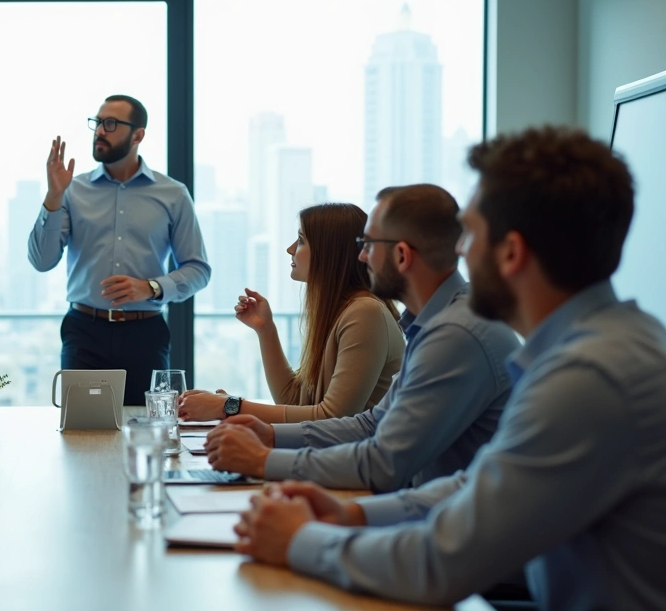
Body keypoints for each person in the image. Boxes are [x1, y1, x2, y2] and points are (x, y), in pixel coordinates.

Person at [233, 127, 666, 610]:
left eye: (470, 234)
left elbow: (440, 562)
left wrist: (299, 540)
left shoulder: (588, 379)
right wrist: (356, 515)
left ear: (511, 252)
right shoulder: (605, 344)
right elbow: (481, 483)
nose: (457, 251)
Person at [202, 185, 519, 491]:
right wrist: (271, 436)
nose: (362, 257)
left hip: (440, 514)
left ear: (401, 255)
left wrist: (261, 457)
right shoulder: (435, 324)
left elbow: (385, 463)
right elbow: (371, 424)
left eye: (368, 245)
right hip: (429, 505)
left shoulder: (455, 334)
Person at [29, 95, 211, 406]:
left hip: (146, 334)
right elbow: (42, 260)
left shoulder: (173, 194)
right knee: (82, 428)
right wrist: (53, 196)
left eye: (111, 124)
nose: (100, 131)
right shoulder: (72, 190)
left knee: (151, 425)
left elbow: (198, 269)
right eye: (98, 122)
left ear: (138, 135)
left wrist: (151, 287)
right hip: (84, 333)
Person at [180, 203, 404, 423]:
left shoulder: (365, 312)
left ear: (329, 251)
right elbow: (293, 401)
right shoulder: (342, 311)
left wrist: (228, 406)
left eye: (301, 240)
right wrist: (266, 330)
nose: (290, 249)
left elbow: (332, 418)